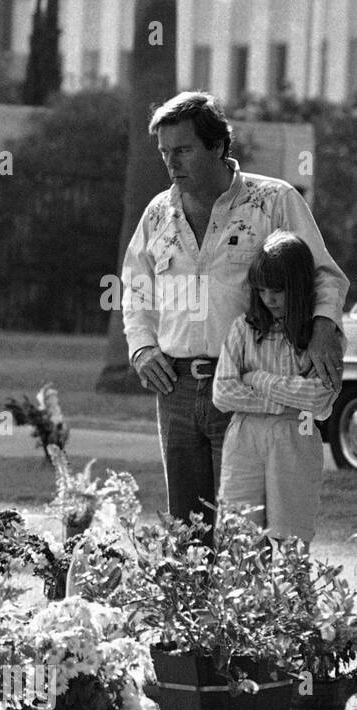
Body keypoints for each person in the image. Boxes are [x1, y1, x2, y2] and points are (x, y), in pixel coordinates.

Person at [121, 91, 347, 533]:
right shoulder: (156, 214)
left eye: (183, 150)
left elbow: (325, 276)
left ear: (218, 146)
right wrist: (142, 349)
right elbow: (135, 289)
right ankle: (189, 606)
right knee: (188, 535)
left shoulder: (274, 202)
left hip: (246, 388)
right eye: (165, 152)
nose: (172, 162)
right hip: (177, 390)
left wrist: (323, 328)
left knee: (244, 534)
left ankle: (251, 605)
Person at [212, 231, 336, 548]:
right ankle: (244, 601)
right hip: (244, 439)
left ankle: (293, 600)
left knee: (292, 542)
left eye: (278, 290)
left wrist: (257, 379)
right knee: (239, 542)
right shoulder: (244, 328)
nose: (270, 299)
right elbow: (223, 392)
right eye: (262, 290)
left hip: (297, 438)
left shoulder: (319, 337)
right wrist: (284, 403)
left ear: (298, 287)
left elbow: (319, 399)